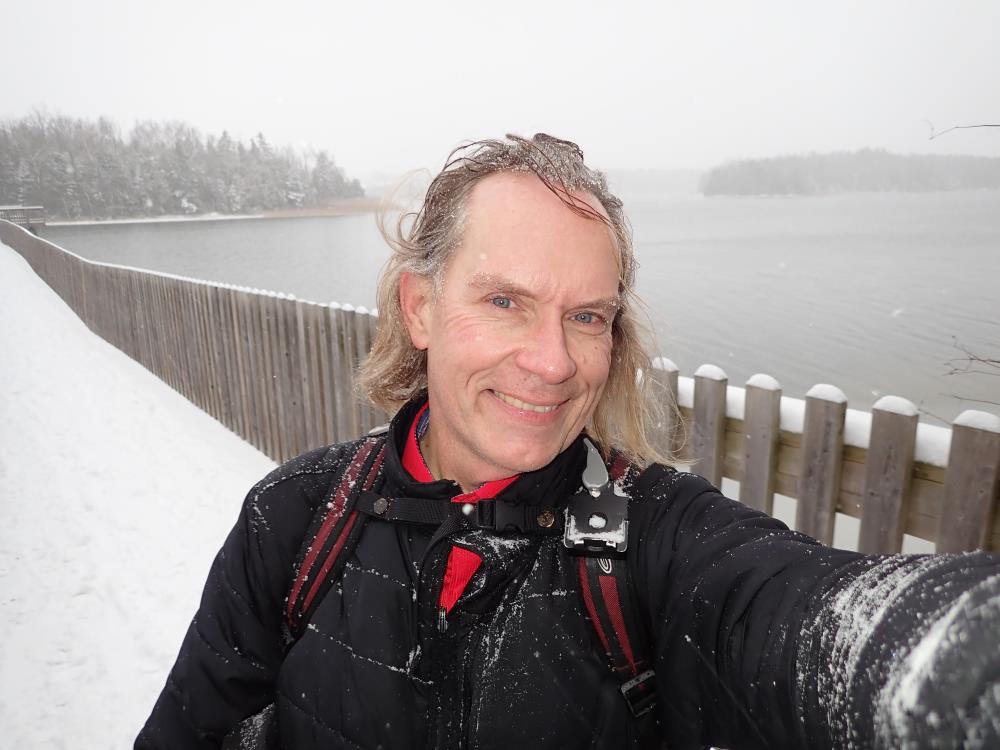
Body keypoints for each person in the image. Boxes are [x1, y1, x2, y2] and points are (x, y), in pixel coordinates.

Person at [136, 134, 1000, 749]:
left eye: (586, 316)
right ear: (420, 308)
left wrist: (947, 662)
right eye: (505, 301)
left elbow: (790, 610)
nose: (552, 363)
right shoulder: (297, 518)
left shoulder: (648, 543)